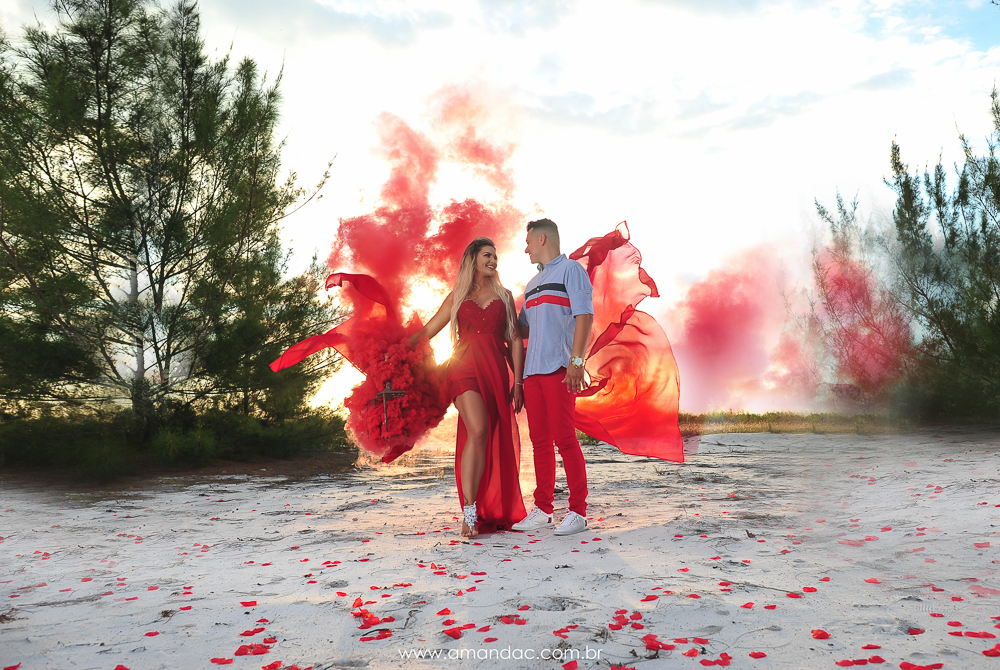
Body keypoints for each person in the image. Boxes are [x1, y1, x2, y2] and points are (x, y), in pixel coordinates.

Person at [408, 238, 527, 538]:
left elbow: (514, 339)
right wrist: (396, 349)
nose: (493, 260)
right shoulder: (457, 296)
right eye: (487, 255)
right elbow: (427, 331)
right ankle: (469, 512)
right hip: (462, 368)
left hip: (495, 372)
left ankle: (483, 506)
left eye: (495, 256)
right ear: (472, 259)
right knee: (479, 430)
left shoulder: (504, 296)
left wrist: (518, 382)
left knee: (488, 436)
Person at [512, 219, 594, 536]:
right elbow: (523, 328)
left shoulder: (571, 270)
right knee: (540, 443)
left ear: (542, 239)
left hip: (560, 368)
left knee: (565, 440)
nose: (526, 248)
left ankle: (578, 512)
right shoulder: (532, 284)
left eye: (528, 242)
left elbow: (584, 315)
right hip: (532, 372)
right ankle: (543, 510)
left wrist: (577, 361)